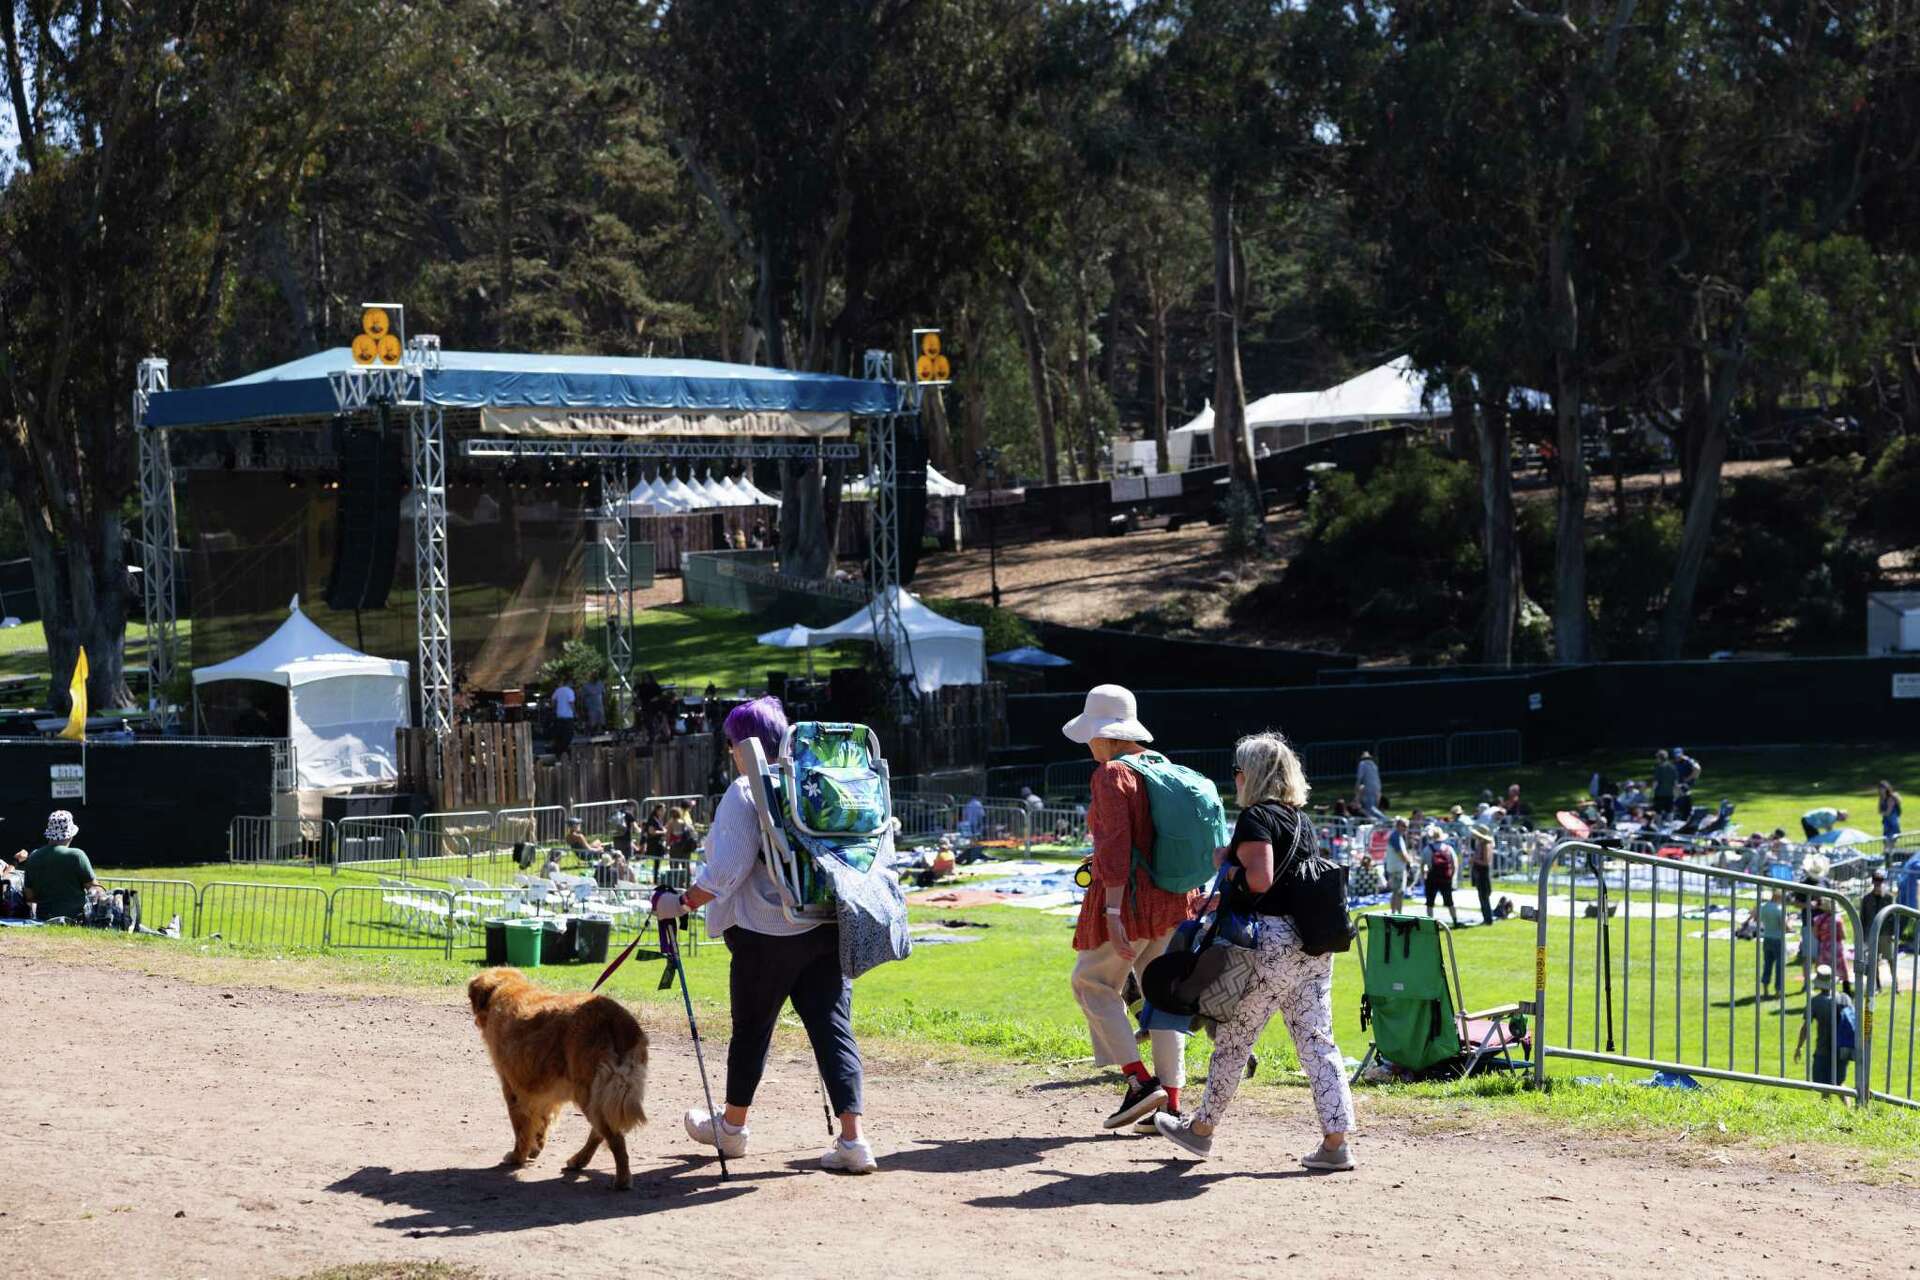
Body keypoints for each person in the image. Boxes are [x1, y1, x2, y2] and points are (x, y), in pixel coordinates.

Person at [651, 695, 876, 1174]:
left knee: (752, 1030)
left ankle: (731, 1129)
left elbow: (726, 871)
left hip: (766, 932)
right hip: (827, 922)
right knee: (833, 1027)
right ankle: (854, 1141)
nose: (730, 751)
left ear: (740, 745)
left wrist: (680, 903)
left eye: (731, 743)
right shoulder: (819, 782)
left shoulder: (747, 789)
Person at [1153, 731, 1355, 1170]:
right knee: (1318, 1043)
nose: (1236, 778)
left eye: (1238, 770)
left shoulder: (1255, 817)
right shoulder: (1300, 821)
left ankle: (1202, 1130)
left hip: (1269, 943)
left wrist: (1229, 874)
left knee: (1234, 1039)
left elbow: (1261, 878)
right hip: (1313, 946)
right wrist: (1233, 855)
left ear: (1251, 774)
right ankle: (1336, 1142)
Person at [1059, 684, 1196, 1133]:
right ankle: (1171, 1104)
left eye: (1091, 736)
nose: (1089, 746)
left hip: (1132, 900)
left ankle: (1139, 1083)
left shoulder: (1112, 774)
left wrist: (1113, 913)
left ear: (1107, 734)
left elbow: (1115, 849)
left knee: (1091, 982)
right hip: (1175, 899)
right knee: (1161, 997)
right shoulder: (1165, 768)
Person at [21, 810, 99, 922]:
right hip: (75, 919)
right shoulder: (76, 855)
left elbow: (29, 896)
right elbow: (94, 888)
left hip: (43, 919)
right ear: (71, 835)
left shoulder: (33, 856)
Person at [1795, 964, 1853, 1089]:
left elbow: (1806, 1027)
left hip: (1824, 1048)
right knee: (1837, 1082)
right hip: (1843, 1047)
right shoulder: (1845, 998)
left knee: (1824, 1083)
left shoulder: (1816, 1002)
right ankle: (1840, 1107)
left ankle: (1832, 1106)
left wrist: (1799, 1046)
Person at [1861, 869, 1899, 996]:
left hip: (1886, 934)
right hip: (1871, 934)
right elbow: (1862, 918)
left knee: (1891, 960)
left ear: (1884, 881)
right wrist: (1863, 937)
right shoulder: (1866, 899)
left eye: (1881, 880)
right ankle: (1877, 987)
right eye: (1876, 880)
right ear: (1872, 881)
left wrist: (1893, 934)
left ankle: (1896, 987)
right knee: (1873, 962)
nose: (1878, 882)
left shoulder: (1888, 897)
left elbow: (1893, 916)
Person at [1422, 826, 1460, 927]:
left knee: (1430, 903)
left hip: (1432, 878)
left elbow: (1423, 864)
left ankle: (1430, 923)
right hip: (1445, 878)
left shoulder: (1427, 849)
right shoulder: (1448, 848)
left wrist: (1423, 877)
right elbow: (1455, 864)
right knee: (1450, 902)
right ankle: (1455, 920)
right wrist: (1452, 877)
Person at [1755, 888, 1787, 999]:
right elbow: (1784, 926)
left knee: (1767, 964)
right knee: (1779, 966)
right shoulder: (1779, 909)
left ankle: (1765, 990)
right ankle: (1778, 991)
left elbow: (1757, 918)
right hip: (1778, 939)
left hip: (1767, 937)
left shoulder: (1763, 907)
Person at [1467, 823, 1496, 925]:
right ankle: (1486, 918)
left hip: (1483, 873)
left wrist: (1474, 860)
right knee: (1481, 896)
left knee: (1484, 897)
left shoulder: (1485, 845)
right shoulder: (1480, 843)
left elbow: (1486, 862)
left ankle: (1488, 919)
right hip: (1479, 872)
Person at [1385, 817, 1413, 915]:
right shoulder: (1395, 836)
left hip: (1396, 868)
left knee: (1397, 892)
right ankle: (1397, 914)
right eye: (1404, 826)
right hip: (1397, 869)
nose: (1405, 828)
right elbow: (1401, 854)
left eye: (1407, 827)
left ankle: (1395, 913)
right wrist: (1410, 862)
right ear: (1398, 826)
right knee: (1398, 892)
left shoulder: (1397, 836)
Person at [551, 677, 577, 754]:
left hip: (559, 715)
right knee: (568, 735)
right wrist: (575, 713)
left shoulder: (558, 690)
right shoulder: (570, 691)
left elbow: (553, 701)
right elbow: (571, 703)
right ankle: (564, 750)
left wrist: (555, 709)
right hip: (568, 716)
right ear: (569, 683)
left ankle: (559, 752)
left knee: (560, 735)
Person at [1354, 751, 1383, 819]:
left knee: (1370, 808)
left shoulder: (1362, 764)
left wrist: (1356, 786)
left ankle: (1383, 819)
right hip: (1377, 788)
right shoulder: (1374, 765)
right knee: (1374, 806)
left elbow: (1359, 777)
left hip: (1369, 787)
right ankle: (1378, 819)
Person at [1651, 749, 1678, 818]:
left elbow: (1656, 782)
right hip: (1670, 794)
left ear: (1659, 758)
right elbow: (1675, 783)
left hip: (1659, 794)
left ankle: (1658, 827)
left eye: (1657, 758)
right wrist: (1676, 793)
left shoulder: (1659, 768)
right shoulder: (1673, 767)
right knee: (1670, 811)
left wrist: (1652, 792)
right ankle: (1670, 826)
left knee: (1658, 812)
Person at [1881, 781, 1903, 856]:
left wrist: (1884, 813)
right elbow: (1881, 811)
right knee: (1886, 837)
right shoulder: (1883, 798)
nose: (1881, 790)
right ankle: (1887, 853)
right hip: (1886, 820)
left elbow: (1888, 811)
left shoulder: (1891, 798)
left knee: (1891, 836)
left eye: (1883, 788)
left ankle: (1889, 853)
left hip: (1892, 820)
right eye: (1880, 788)